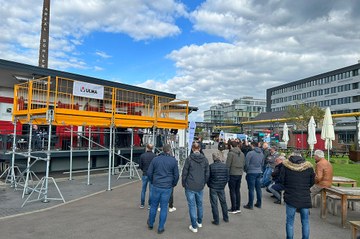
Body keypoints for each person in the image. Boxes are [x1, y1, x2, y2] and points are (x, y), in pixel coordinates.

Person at [280, 152, 315, 239]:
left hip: (291, 196)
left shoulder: (286, 166)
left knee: (290, 221)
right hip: (304, 196)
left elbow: (282, 180)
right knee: (305, 221)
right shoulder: (309, 167)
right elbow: (312, 182)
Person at [147, 144, 179, 234]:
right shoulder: (173, 161)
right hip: (167, 187)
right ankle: (161, 227)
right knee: (164, 207)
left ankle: (151, 223)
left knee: (153, 206)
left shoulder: (155, 159)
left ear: (162, 150)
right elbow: (176, 175)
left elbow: (149, 172)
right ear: (169, 151)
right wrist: (173, 184)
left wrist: (152, 181)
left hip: (156, 185)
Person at [182, 142, 210, 233]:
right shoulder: (205, 159)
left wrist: (183, 183)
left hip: (190, 185)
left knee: (192, 205)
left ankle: (194, 226)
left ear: (193, 149)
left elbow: (185, 172)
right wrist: (204, 182)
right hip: (200, 185)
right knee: (199, 204)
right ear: (200, 148)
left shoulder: (189, 159)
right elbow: (207, 173)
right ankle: (199, 222)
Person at [208, 152, 230, 225]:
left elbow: (208, 177)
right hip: (221, 187)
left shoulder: (211, 166)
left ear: (213, 158)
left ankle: (216, 220)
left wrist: (209, 184)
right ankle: (226, 217)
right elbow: (227, 177)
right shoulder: (225, 166)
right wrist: (224, 184)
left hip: (213, 187)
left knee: (214, 204)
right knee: (223, 202)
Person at [226, 141, 245, 214]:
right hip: (239, 173)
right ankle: (238, 207)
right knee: (237, 190)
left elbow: (227, 165)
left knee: (232, 191)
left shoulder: (231, 154)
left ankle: (233, 208)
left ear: (231, 146)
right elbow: (244, 163)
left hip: (232, 173)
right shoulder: (242, 154)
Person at [243, 141, 264, 210]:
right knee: (258, 189)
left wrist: (246, 170)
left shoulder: (250, 153)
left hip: (251, 172)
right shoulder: (261, 153)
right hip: (259, 172)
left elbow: (246, 163)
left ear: (252, 145)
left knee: (251, 189)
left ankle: (250, 204)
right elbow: (262, 163)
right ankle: (259, 203)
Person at [139, 144, 156, 209]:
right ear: (152, 148)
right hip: (152, 175)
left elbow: (140, 165)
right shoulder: (155, 156)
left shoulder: (142, 155)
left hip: (145, 174)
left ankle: (142, 204)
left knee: (143, 190)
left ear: (147, 148)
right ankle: (150, 204)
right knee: (151, 190)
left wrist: (143, 170)